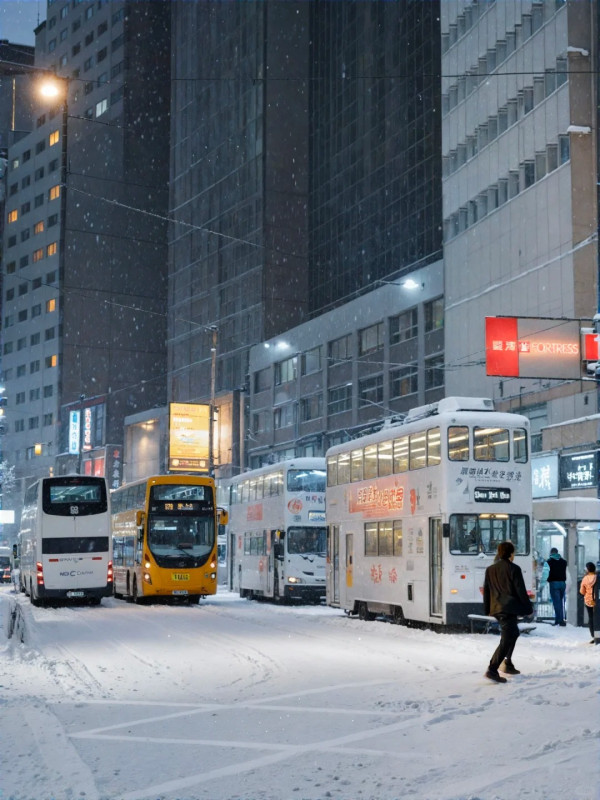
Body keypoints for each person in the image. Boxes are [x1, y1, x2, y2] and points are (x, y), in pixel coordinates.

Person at [483, 540, 533, 683]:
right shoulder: (514, 569)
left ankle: (508, 663)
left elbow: (487, 590)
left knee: (513, 633)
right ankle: (493, 669)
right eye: (514, 553)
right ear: (511, 554)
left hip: (497, 608)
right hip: (508, 608)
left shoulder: (490, 569)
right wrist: (528, 608)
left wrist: (487, 608)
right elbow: (520, 591)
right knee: (507, 638)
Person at [540, 547, 568, 626]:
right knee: (561, 602)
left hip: (554, 583)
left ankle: (559, 620)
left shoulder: (548, 562)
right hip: (562, 584)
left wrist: (542, 585)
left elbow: (545, 574)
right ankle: (561, 619)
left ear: (551, 553)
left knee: (556, 603)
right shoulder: (564, 562)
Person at [579, 562, 597, 644]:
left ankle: (594, 635)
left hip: (589, 601)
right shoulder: (597, 577)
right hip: (597, 600)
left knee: (591, 618)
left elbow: (582, 592)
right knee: (597, 618)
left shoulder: (585, 579)